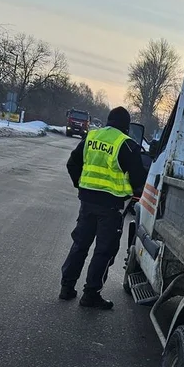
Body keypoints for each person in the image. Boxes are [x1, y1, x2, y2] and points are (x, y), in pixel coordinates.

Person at [59, 107, 147, 309]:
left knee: (80, 245)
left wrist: (82, 185)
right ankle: (90, 295)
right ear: (126, 127)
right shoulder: (127, 145)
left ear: (109, 121)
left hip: (87, 202)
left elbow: (72, 164)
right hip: (111, 207)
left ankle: (66, 288)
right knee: (104, 251)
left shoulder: (91, 137)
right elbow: (139, 179)